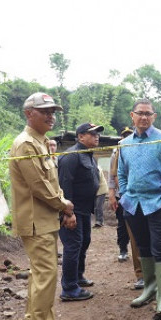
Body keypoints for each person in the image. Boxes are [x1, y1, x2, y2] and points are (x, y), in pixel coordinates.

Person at [9, 92, 74, 320]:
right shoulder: (26, 144)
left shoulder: (41, 143)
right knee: (46, 276)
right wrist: (64, 205)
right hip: (36, 221)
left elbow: (47, 176)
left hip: (42, 220)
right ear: (29, 113)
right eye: (44, 111)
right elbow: (39, 186)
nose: (51, 116)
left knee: (40, 275)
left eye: (53, 111)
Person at [117, 99, 161, 320]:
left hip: (158, 202)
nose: (144, 117)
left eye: (148, 114)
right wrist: (125, 194)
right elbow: (121, 173)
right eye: (140, 113)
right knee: (143, 246)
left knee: (160, 246)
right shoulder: (124, 144)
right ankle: (149, 288)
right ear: (132, 115)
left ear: (154, 116)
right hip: (133, 203)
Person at [57, 122, 104, 301]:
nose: (96, 136)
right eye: (92, 133)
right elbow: (64, 185)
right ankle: (69, 288)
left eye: (97, 133)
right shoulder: (72, 156)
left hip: (85, 210)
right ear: (80, 136)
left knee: (84, 242)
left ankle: (78, 276)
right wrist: (68, 213)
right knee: (73, 246)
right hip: (72, 210)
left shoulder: (89, 156)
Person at [108, 127, 133, 261]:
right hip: (121, 194)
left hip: (136, 193)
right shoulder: (115, 152)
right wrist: (111, 194)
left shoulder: (138, 149)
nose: (127, 138)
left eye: (130, 135)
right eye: (125, 136)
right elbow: (112, 176)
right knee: (122, 223)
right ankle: (123, 249)